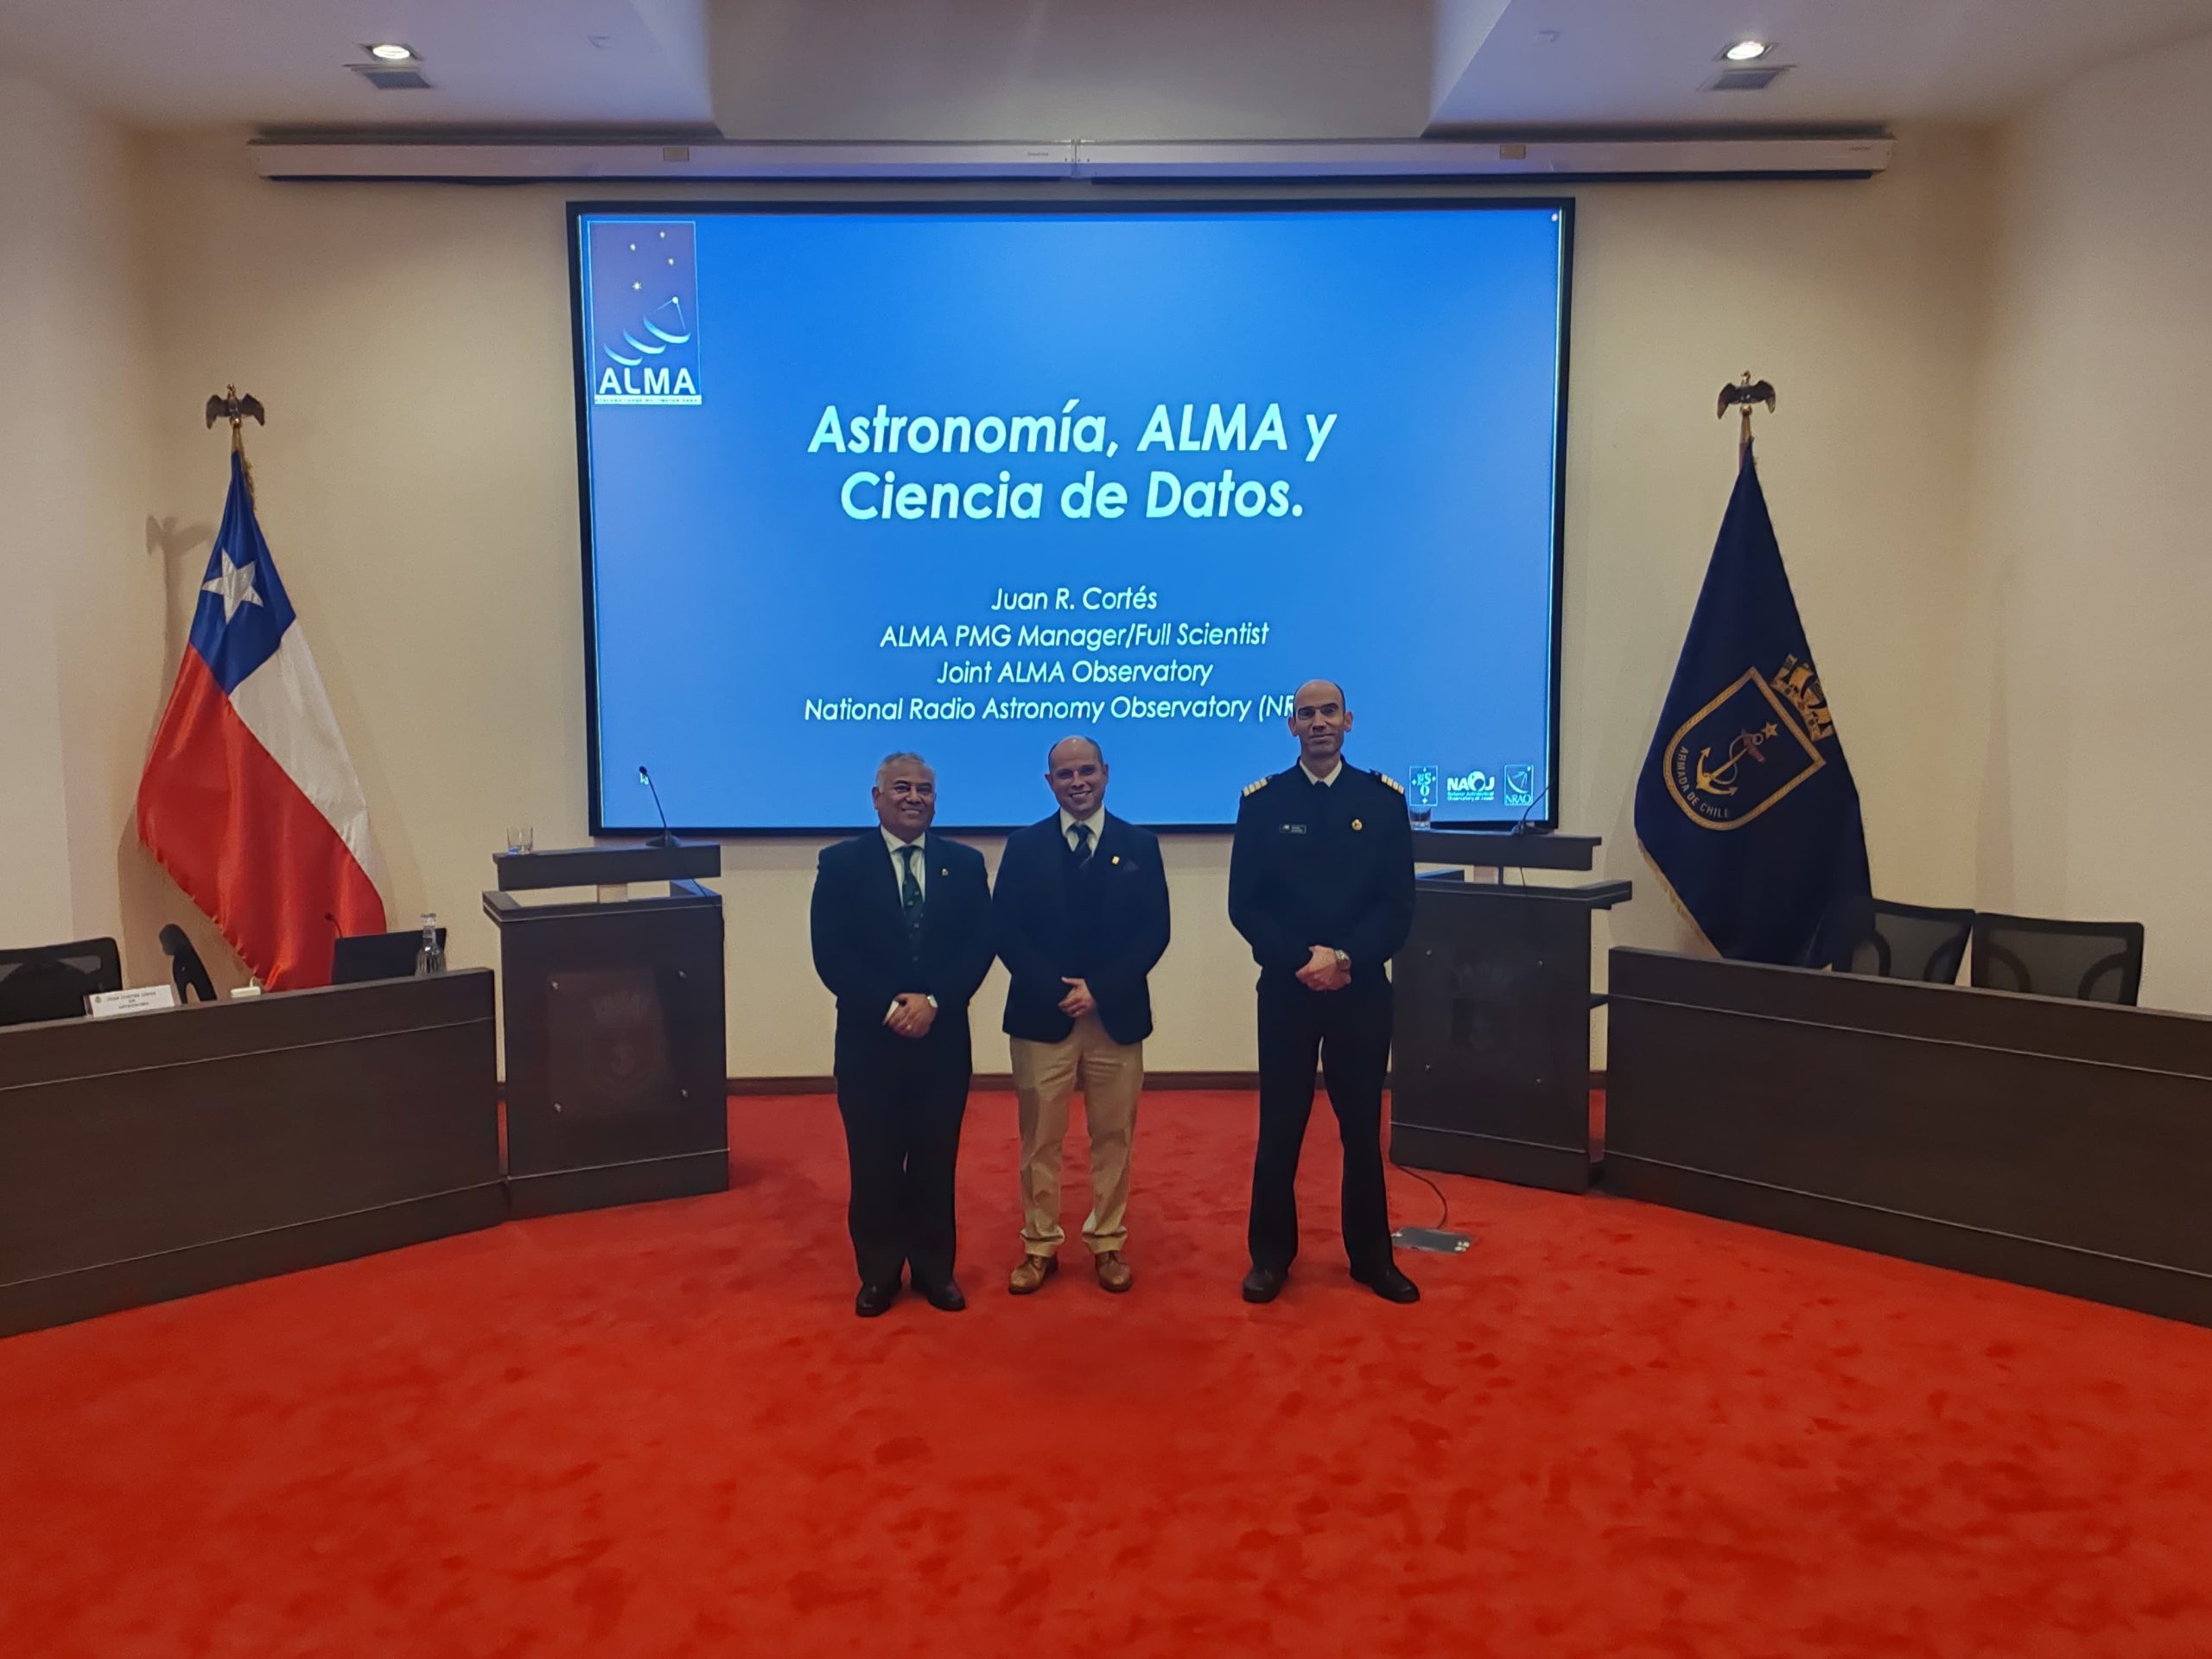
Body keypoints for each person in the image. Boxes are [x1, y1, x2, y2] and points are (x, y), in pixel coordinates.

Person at [1228, 679, 1421, 1306]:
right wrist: (1302, 960)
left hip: (1360, 989)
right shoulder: (1262, 803)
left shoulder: (1383, 802)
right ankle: (1270, 1259)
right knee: (1279, 1127)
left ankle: (1371, 1260)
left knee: (1361, 1130)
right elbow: (1245, 906)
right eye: (1306, 714)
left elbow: (1397, 909)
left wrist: (1342, 958)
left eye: (1328, 712)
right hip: (1286, 990)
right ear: (1290, 726)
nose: (1318, 723)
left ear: (1349, 721)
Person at [810, 753, 995, 1317]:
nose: (914, 797)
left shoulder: (964, 865)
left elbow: (979, 945)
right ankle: (880, 1274)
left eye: (924, 789)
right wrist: (890, 1008)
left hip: (942, 1042)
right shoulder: (841, 864)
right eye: (901, 788)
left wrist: (935, 1001)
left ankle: (936, 1271)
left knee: (936, 1162)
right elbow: (831, 954)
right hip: (870, 1043)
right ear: (877, 798)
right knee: (875, 1164)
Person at [993, 735, 1171, 1295]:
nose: (1078, 782)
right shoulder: (1022, 848)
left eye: (1086, 771)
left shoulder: (1140, 844)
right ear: (1049, 783)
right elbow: (1006, 932)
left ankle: (1108, 1241)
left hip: (1115, 1016)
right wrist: (1058, 990)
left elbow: (1154, 931)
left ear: (1106, 773)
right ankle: (1039, 1244)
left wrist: (1099, 989)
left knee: (1112, 1135)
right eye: (1065, 774)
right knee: (1040, 1139)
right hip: (1041, 1015)